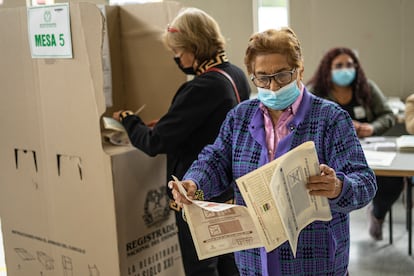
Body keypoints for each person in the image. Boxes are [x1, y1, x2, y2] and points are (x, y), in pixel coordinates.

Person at [169, 28, 376, 275]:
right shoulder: (241, 117)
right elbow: (214, 159)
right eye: (263, 78)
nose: (273, 86)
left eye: (282, 76)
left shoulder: (330, 119)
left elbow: (365, 183)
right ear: (252, 76)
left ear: (299, 69)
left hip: (314, 260)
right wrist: (194, 182)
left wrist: (338, 187)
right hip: (255, 260)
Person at [113, 7, 251, 276]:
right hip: (228, 190)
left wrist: (130, 120)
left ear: (194, 46)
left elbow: (155, 143)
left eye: (177, 51)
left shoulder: (202, 86)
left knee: (200, 267)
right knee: (229, 264)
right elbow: (208, 125)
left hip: (196, 193)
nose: (176, 58)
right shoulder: (234, 75)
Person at [307, 47, 403, 241]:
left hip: (369, 148)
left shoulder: (366, 88)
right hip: (331, 155)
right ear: (328, 69)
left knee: (393, 182)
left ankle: (377, 214)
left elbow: (388, 116)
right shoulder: (316, 92)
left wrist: (371, 127)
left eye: (350, 65)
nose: (345, 70)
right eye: (339, 66)